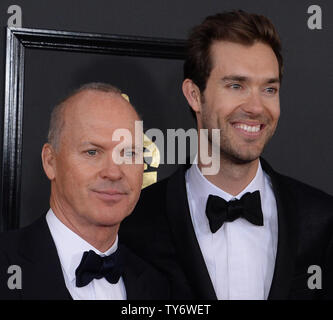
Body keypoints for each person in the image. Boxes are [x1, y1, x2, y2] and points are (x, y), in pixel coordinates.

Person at [120, 10, 333, 299]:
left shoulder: (321, 219)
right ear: (195, 95)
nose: (256, 107)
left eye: (269, 89)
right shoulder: (135, 222)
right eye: (236, 86)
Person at [0, 83, 169, 300]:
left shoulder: (159, 286)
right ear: (50, 162)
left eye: (128, 153)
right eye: (92, 152)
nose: (113, 172)